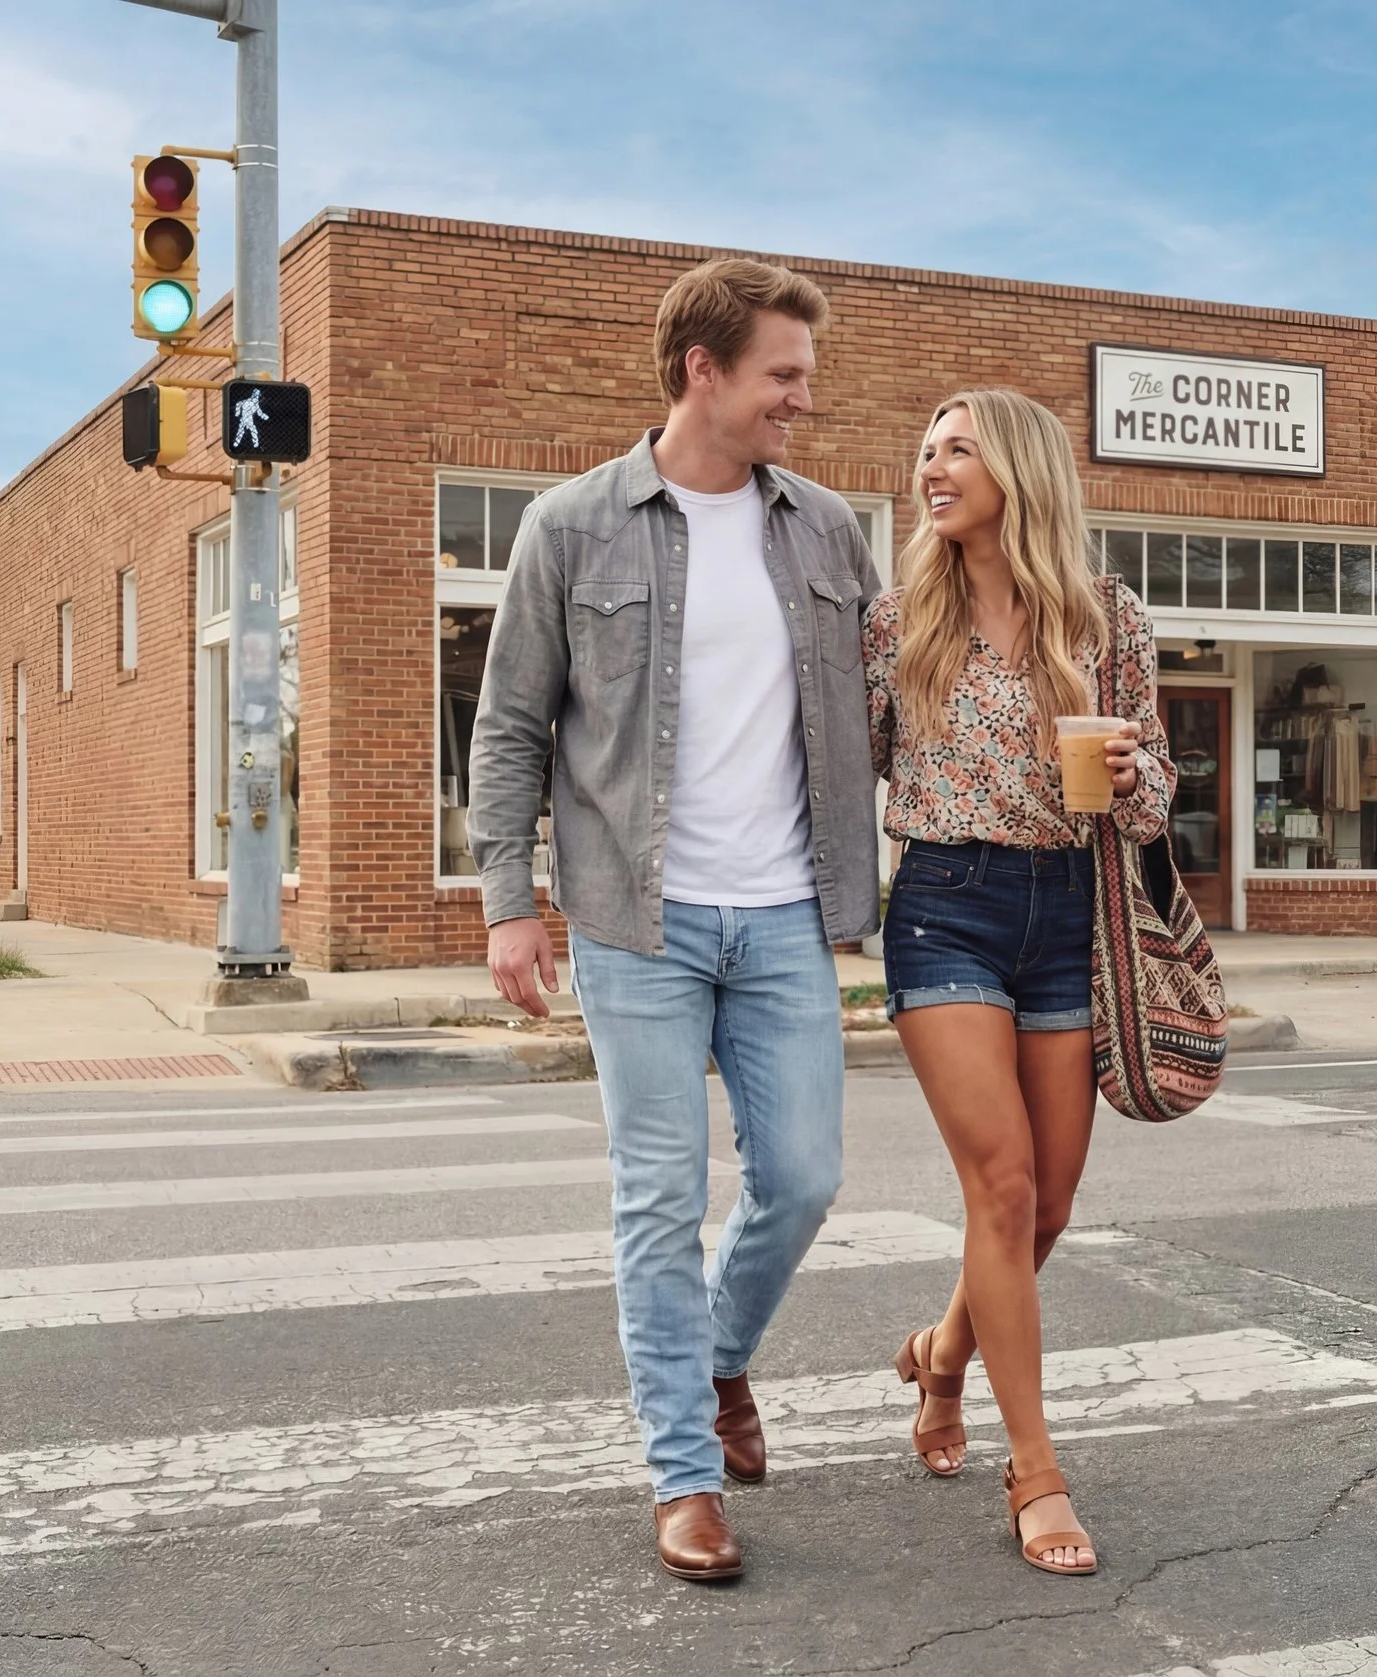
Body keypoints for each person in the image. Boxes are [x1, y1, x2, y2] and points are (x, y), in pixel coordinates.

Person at [470, 257, 880, 1583]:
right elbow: (511, 728)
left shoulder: (824, 530)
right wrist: (508, 906)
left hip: (781, 915)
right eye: (783, 375)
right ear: (703, 370)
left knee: (806, 1178)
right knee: (657, 1199)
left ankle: (715, 1361)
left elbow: (883, 705)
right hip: (632, 919)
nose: (801, 402)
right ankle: (684, 1477)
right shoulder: (571, 527)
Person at [863, 388, 1169, 1577]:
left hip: (1066, 912)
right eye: (924, 449)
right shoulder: (895, 624)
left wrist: (1136, 770)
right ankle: (1033, 1467)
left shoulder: (1108, 619)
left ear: (1019, 472)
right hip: (944, 907)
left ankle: (941, 1356)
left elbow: (1145, 805)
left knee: (1045, 1208)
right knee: (997, 1185)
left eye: (955, 451)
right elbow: (851, 769)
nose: (931, 469)